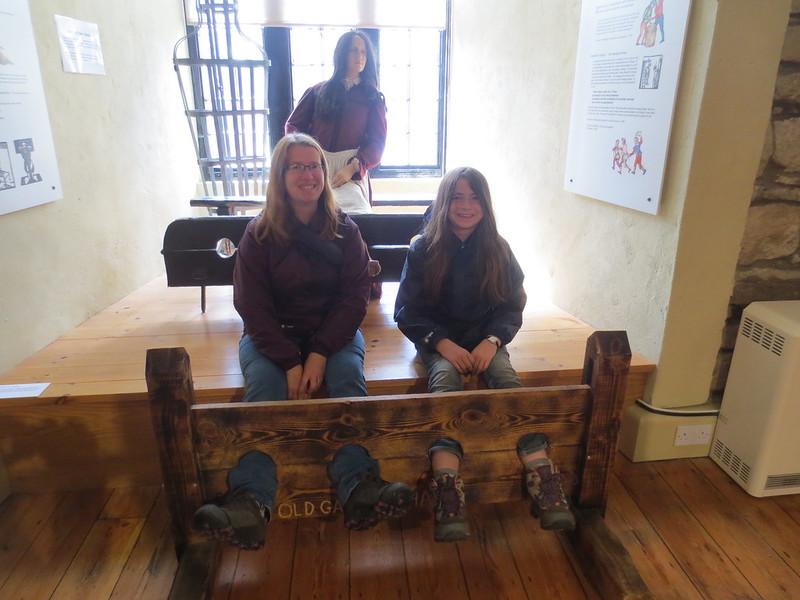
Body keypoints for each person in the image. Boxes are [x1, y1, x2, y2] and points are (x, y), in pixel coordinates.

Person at [192, 133, 412, 548]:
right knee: (266, 391)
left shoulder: (345, 231)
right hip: (272, 336)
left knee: (347, 382)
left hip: (333, 335)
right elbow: (251, 306)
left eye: (315, 166)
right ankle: (251, 502)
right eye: (297, 166)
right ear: (280, 175)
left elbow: (353, 298)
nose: (309, 174)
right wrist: (290, 360)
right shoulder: (258, 235)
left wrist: (320, 352)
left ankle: (359, 487)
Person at [394, 167, 576, 533]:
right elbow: (408, 310)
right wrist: (442, 343)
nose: (465, 205)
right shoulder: (423, 248)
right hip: (438, 342)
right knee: (445, 386)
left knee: (508, 385)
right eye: (457, 197)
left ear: (485, 204)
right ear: (444, 203)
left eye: (474, 197)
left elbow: (512, 303)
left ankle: (542, 475)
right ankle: (447, 485)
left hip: (485, 342)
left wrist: (493, 341)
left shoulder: (498, 249)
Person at [285, 30, 387, 215]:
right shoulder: (318, 91)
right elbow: (293, 126)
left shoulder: (372, 99)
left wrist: (353, 168)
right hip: (315, 166)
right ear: (342, 54)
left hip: (350, 171)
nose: (359, 56)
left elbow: (377, 143)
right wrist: (307, 154)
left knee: (355, 219)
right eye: (353, 50)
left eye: (363, 52)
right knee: (302, 215)